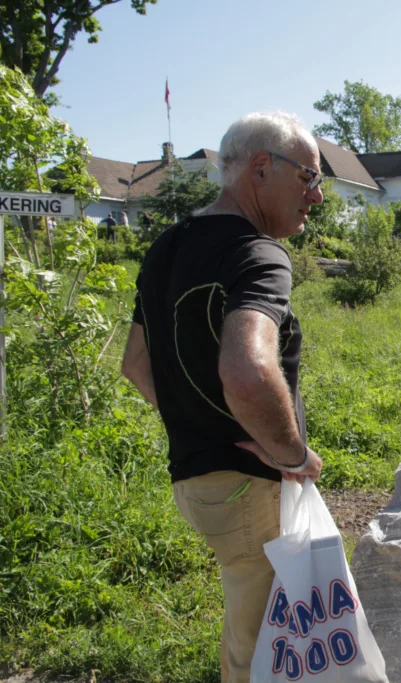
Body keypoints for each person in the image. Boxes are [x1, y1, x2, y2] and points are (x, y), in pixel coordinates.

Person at [120, 112, 326, 683]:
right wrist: (288, 455)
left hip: (195, 480)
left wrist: (202, 426)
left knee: (247, 621)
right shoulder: (258, 254)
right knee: (265, 646)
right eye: (309, 177)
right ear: (262, 169)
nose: (316, 196)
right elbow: (248, 370)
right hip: (247, 486)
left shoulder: (167, 245)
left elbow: (136, 365)